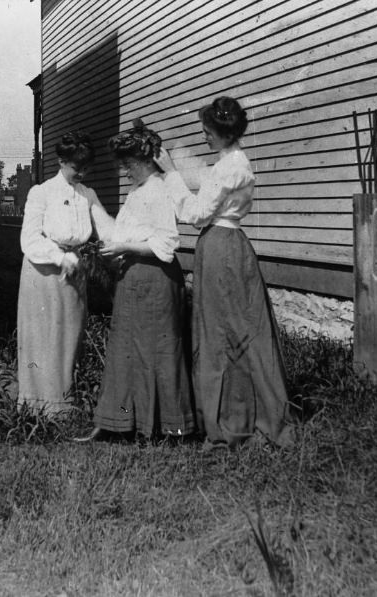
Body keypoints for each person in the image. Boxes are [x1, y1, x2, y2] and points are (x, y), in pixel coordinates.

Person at [154, 96, 294, 449]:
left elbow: (198, 213)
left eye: (207, 132)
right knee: (238, 330)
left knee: (221, 334)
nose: (204, 137)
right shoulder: (232, 162)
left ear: (220, 134)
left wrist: (170, 174)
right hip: (231, 246)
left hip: (220, 248)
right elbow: (206, 184)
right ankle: (239, 412)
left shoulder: (230, 168)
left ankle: (232, 420)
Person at [76, 120, 195, 441]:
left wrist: (123, 246)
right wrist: (94, 207)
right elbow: (122, 233)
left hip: (155, 279)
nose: (124, 171)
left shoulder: (157, 190)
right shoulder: (138, 190)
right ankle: (125, 424)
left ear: (144, 162)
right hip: (134, 279)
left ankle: (168, 427)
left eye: (128, 165)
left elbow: (166, 245)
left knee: (156, 351)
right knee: (128, 349)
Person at [17, 131, 114, 414]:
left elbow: (106, 227)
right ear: (61, 161)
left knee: (70, 335)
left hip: (73, 273)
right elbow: (30, 239)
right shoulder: (42, 193)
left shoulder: (88, 195)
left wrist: (132, 241)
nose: (81, 173)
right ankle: (37, 408)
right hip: (43, 272)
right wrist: (60, 257)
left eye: (86, 167)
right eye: (76, 167)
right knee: (44, 337)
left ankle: (64, 403)